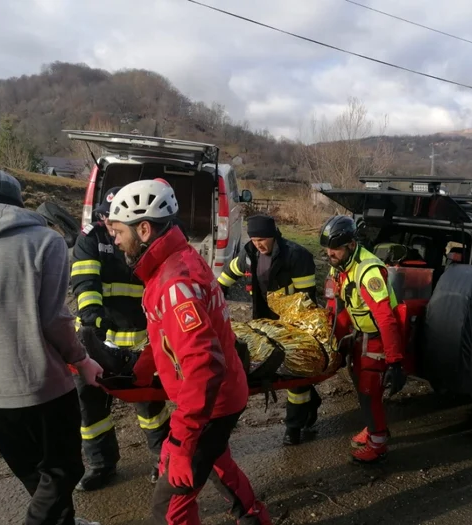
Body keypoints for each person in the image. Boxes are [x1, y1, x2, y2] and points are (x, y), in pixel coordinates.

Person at [107, 179, 271, 525]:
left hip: (211, 402)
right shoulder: (171, 263)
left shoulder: (174, 282)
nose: (115, 238)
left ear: (145, 229)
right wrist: (141, 368)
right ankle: (253, 516)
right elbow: (166, 335)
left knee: (168, 511)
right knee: (216, 461)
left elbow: (203, 366)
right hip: (214, 398)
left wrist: (182, 442)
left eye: (119, 230)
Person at [0, 170, 103, 525]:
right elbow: (55, 320)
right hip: (39, 382)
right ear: (18, 204)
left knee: (33, 471)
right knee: (64, 469)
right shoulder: (46, 242)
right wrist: (82, 359)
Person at [70, 186, 170, 491]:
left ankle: (163, 460)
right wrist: (92, 324)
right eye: (108, 221)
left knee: (151, 408)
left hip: (138, 337)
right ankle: (102, 465)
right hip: (95, 340)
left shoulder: (143, 242)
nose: (112, 229)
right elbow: (85, 282)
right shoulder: (91, 239)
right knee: (91, 408)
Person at [217, 214, 321, 446]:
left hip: (292, 322)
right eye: (254, 240)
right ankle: (310, 404)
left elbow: (307, 300)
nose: (258, 244)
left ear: (274, 236)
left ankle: (293, 427)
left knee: (295, 373)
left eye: (262, 240)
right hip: (264, 322)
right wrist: (216, 292)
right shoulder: (249, 253)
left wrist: (301, 330)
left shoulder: (296, 256)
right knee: (275, 371)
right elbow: (228, 274)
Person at [319, 215, 407, 464]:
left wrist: (395, 360)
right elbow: (337, 304)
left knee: (369, 392)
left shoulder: (368, 271)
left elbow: (386, 319)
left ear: (349, 245)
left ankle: (378, 443)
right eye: (327, 248)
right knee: (359, 384)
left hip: (378, 337)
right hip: (361, 335)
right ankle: (372, 425)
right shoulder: (340, 266)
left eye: (334, 248)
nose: (329, 253)